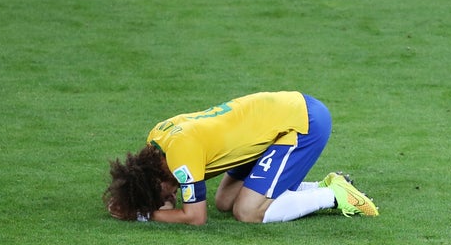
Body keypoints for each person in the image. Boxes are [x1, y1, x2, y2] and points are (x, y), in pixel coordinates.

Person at [103, 90, 378, 225]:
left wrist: (142, 214)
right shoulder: (159, 139)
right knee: (224, 202)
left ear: (156, 180)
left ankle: (336, 195)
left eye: (163, 195)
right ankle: (321, 185)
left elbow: (196, 218)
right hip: (270, 125)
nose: (169, 198)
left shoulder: (181, 159)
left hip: (301, 123)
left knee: (247, 211)